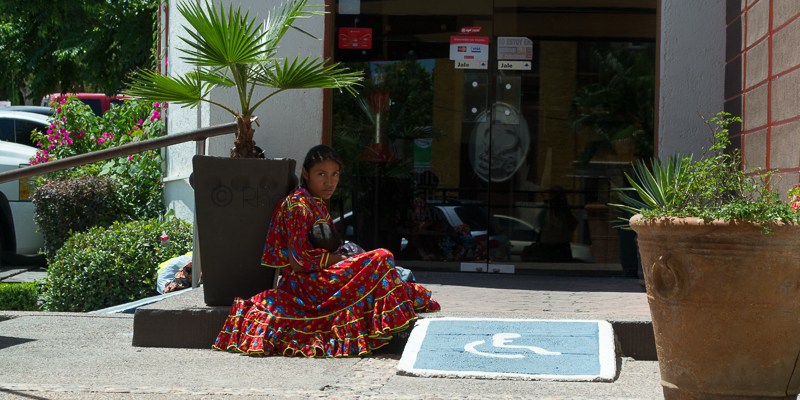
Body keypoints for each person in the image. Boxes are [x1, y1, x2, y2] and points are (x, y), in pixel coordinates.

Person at [213, 144, 440, 357]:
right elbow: (298, 262)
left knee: (384, 264)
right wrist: (340, 258)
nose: (329, 182)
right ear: (305, 173)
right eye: (321, 174)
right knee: (382, 257)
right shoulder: (298, 206)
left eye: (335, 174)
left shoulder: (316, 203)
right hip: (305, 283)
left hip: (321, 275)